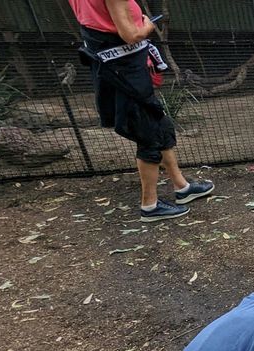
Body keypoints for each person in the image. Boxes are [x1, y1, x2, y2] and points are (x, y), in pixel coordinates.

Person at [68, 0, 213, 221]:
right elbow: (130, 35)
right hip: (123, 72)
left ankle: (182, 187)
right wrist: (147, 27)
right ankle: (150, 205)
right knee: (148, 134)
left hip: (116, 68)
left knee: (159, 124)